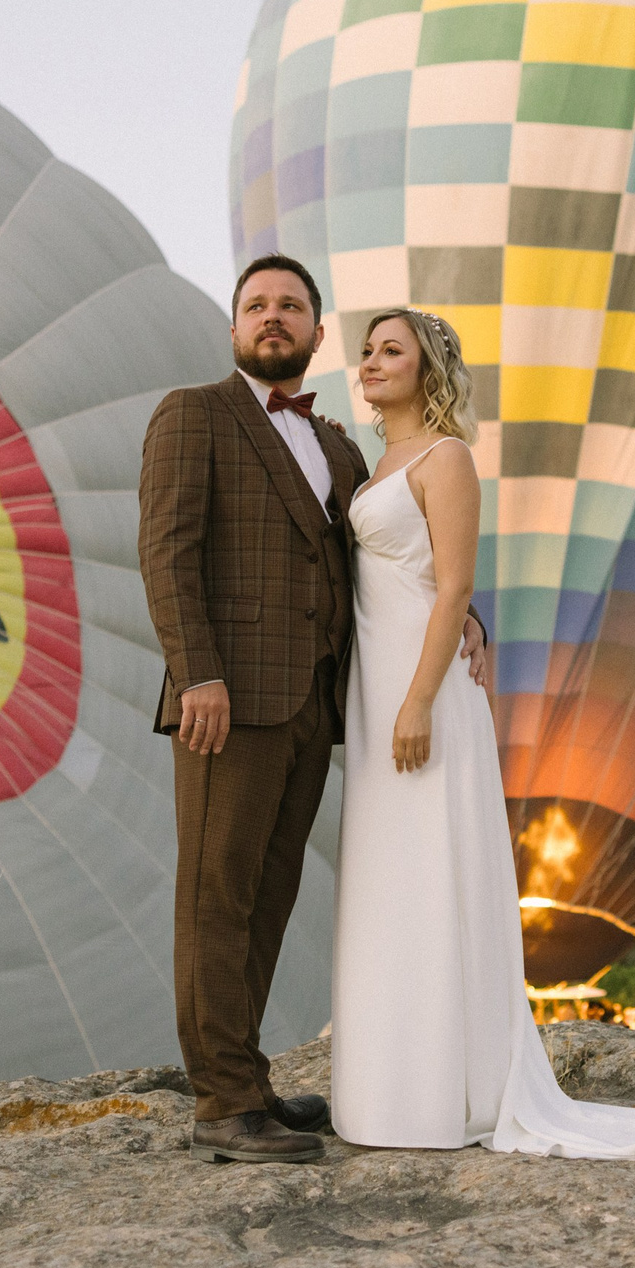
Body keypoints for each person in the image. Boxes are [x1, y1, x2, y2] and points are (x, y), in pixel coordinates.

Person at [329, 309, 635, 1164]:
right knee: (389, 885)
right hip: (377, 695)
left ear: (429, 369)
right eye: (368, 350)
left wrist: (421, 697)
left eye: (394, 349)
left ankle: (446, 1095)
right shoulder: (370, 466)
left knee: (433, 875)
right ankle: (387, 1092)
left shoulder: (445, 457)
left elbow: (454, 580)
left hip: (419, 700)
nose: (373, 360)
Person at [136, 256, 487, 1164]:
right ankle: (221, 1101)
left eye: (292, 305)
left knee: (270, 895)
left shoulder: (337, 447)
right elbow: (168, 554)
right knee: (216, 893)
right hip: (227, 700)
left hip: (313, 707)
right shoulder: (193, 414)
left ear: (315, 333)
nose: (273, 317)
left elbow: (386, 556)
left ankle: (245, 1077)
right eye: (256, 305)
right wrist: (196, 673)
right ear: (235, 329)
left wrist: (465, 613)